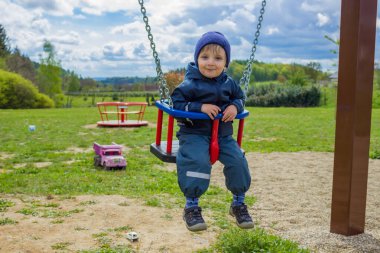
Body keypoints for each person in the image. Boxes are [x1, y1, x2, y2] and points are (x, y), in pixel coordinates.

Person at [171, 31, 254, 232]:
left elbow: (240, 98)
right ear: (197, 59)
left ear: (226, 62)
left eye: (218, 58)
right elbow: (178, 103)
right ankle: (191, 206)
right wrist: (199, 107)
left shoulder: (229, 83)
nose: (211, 63)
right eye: (205, 57)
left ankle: (238, 204)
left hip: (223, 136)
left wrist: (235, 107)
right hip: (194, 134)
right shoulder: (189, 84)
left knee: (238, 161)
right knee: (196, 162)